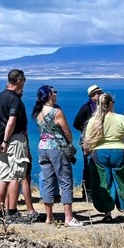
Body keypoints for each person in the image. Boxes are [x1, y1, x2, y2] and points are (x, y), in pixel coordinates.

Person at [32, 85, 82, 227]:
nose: (56, 94)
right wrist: (69, 142)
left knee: (47, 181)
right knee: (65, 181)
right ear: (49, 95)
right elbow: (67, 131)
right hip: (57, 148)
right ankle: (68, 217)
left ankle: (49, 217)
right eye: (54, 92)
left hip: (42, 147)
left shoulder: (38, 112)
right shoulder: (56, 112)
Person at [83, 92, 124, 222]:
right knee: (123, 182)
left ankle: (107, 213)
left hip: (99, 153)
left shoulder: (93, 121)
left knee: (104, 182)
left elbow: (87, 139)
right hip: (120, 151)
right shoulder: (121, 118)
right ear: (111, 103)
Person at [0, 69, 38, 223]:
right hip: (14, 140)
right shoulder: (15, 99)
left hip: (1, 141)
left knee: (3, 176)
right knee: (16, 175)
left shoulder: (0, 97)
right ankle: (12, 212)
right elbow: (11, 122)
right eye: (24, 80)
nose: (24, 83)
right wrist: (6, 140)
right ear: (19, 81)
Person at [73, 84, 103, 204]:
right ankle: (87, 193)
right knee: (88, 166)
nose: (100, 95)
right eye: (98, 93)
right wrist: (86, 131)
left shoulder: (101, 107)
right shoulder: (86, 108)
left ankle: (97, 191)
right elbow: (76, 123)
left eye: (100, 93)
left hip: (99, 141)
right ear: (92, 96)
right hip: (88, 142)